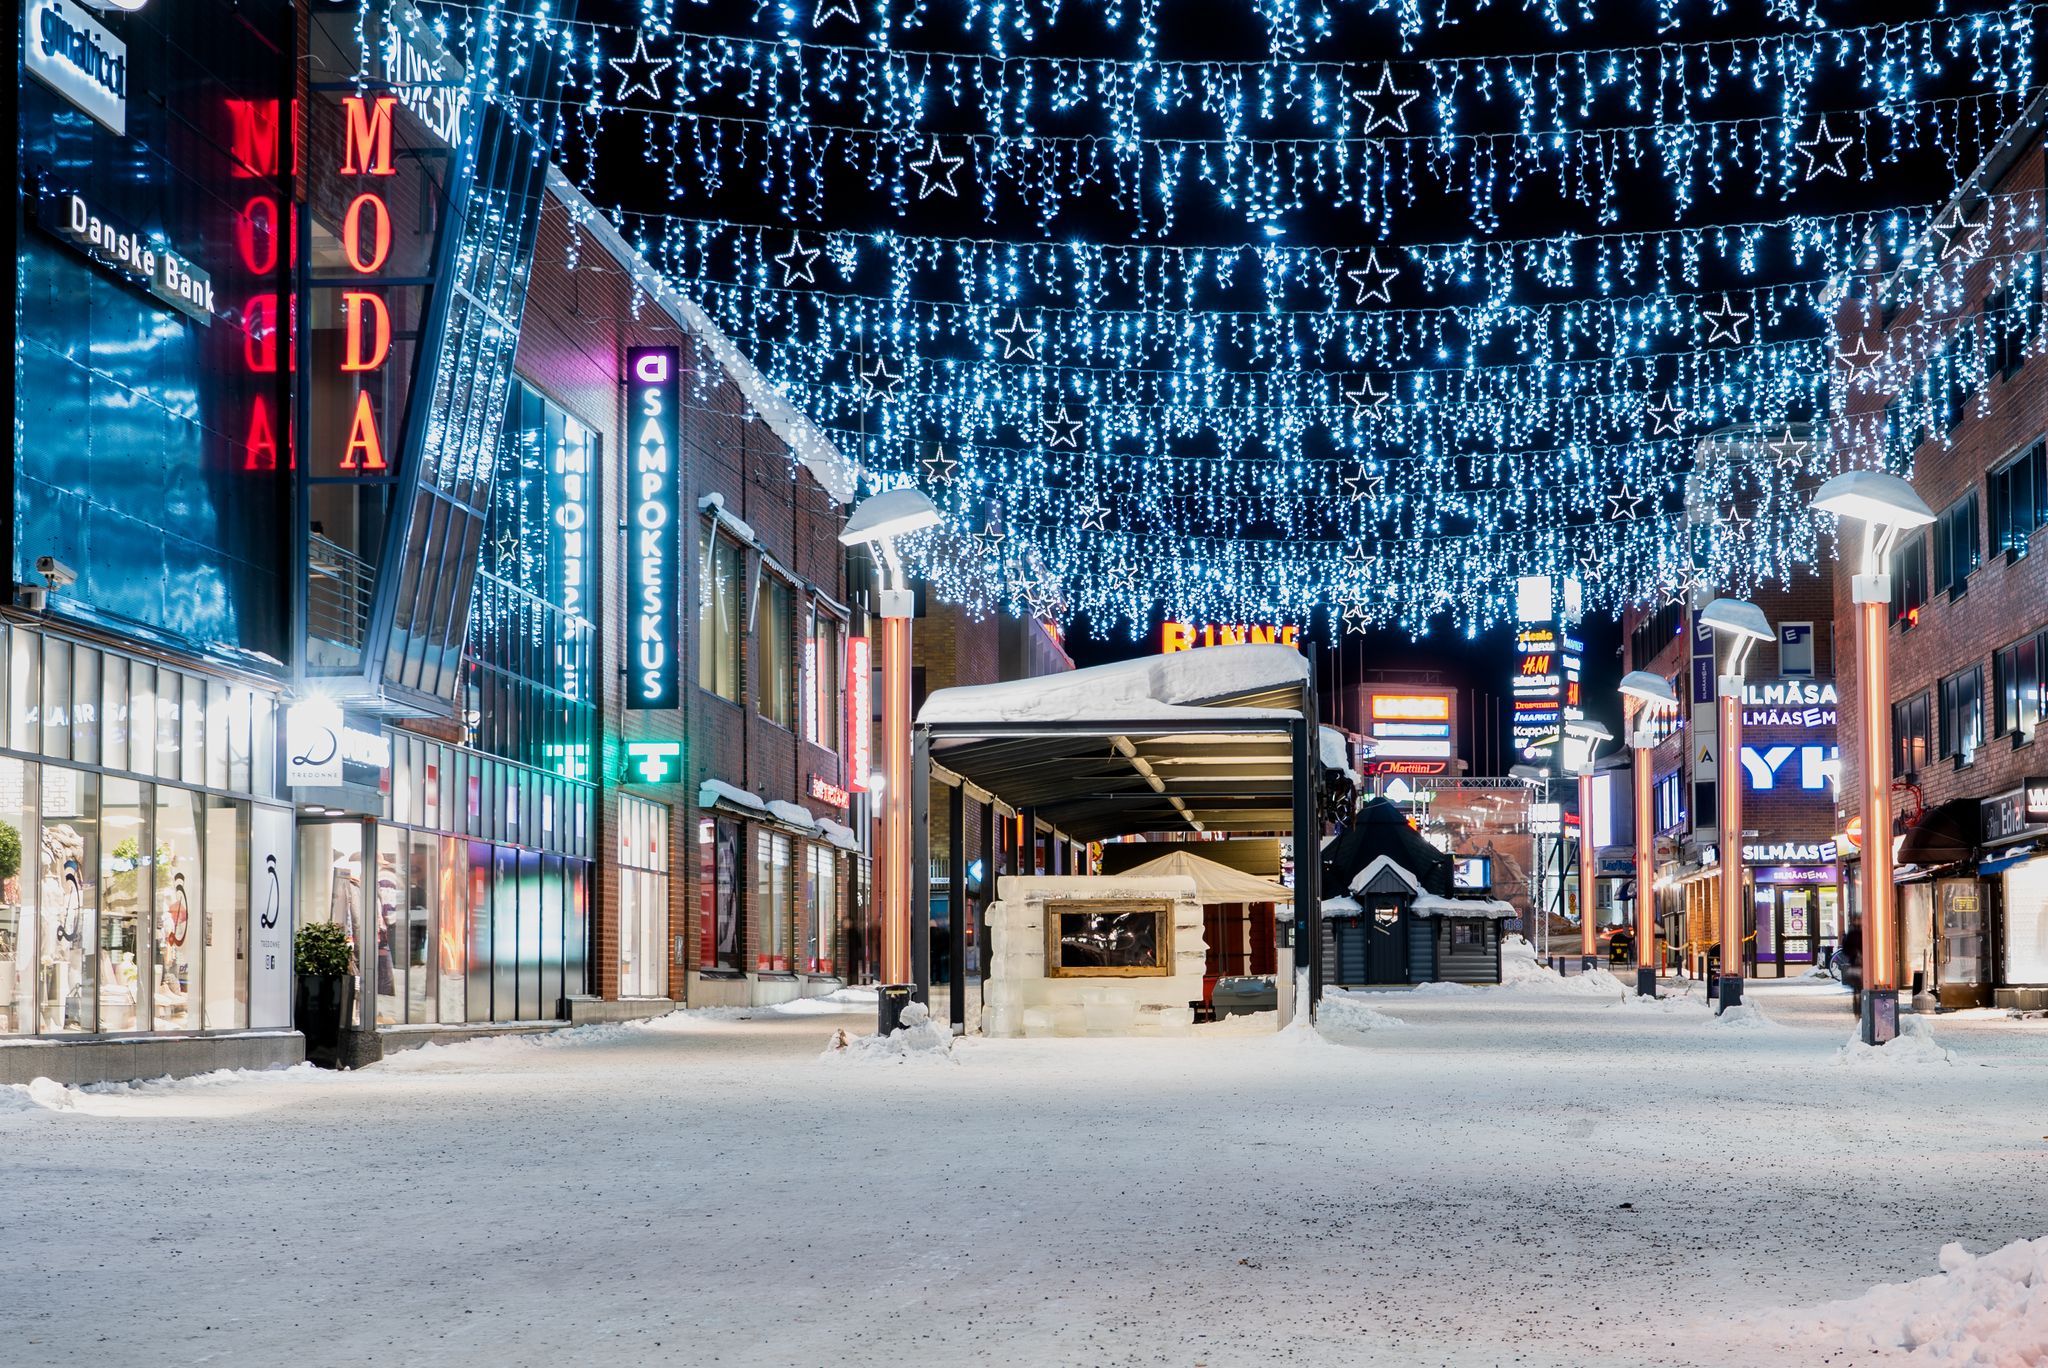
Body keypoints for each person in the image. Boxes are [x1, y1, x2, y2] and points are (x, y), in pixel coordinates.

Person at [1836, 918, 1864, 1017]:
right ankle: (1858, 1006)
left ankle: (1859, 1005)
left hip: (1858, 963)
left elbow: (1845, 948)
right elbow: (1846, 948)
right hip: (1856, 963)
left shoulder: (1856, 933)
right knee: (1858, 986)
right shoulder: (1854, 933)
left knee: (1858, 987)